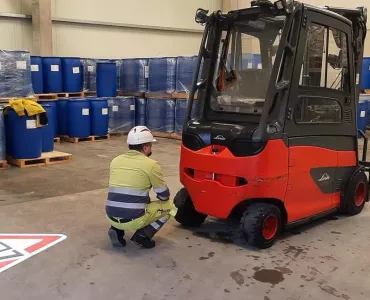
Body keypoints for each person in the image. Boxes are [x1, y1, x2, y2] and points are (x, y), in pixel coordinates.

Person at [105, 126, 177, 249]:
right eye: (150, 145)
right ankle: (143, 236)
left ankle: (116, 230)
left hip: (110, 215)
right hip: (134, 219)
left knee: (126, 200)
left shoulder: (115, 161)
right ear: (145, 147)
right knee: (170, 207)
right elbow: (164, 195)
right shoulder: (151, 165)